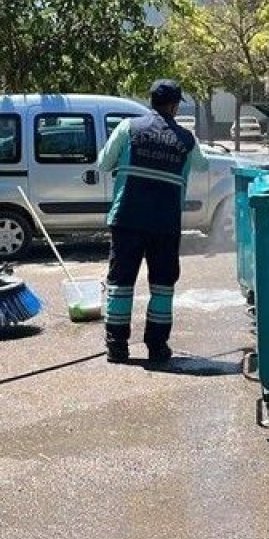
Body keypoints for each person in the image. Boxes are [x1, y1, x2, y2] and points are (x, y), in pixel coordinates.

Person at [97, 79, 209, 365]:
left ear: (151, 101)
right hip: (165, 223)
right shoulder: (186, 139)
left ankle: (117, 347)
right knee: (162, 285)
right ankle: (157, 348)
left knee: (121, 283)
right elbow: (202, 165)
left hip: (127, 219)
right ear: (174, 105)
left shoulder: (128, 128)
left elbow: (102, 164)